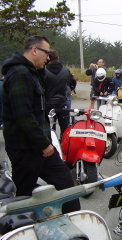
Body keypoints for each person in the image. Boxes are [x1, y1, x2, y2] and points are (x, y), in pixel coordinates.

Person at [1, 35, 80, 213]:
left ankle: (74, 220)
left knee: (65, 183)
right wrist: (43, 143)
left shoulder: (31, 73)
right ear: (34, 50)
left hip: (38, 145)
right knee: (24, 196)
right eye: (46, 53)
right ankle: (20, 229)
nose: (49, 57)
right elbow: (24, 116)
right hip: (26, 148)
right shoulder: (19, 74)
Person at [44, 50, 70, 138]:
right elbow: (70, 83)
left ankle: (51, 146)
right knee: (65, 128)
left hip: (48, 103)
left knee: (49, 128)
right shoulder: (65, 69)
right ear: (58, 57)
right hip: (62, 102)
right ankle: (64, 147)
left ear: (48, 58)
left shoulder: (43, 69)